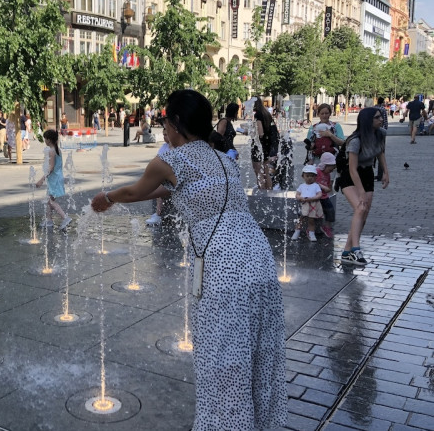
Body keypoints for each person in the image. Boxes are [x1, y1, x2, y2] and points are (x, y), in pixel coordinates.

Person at [91, 89, 286, 430]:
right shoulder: (221, 158)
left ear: (177, 123)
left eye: (165, 121)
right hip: (259, 259)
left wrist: (106, 197)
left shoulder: (169, 160)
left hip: (222, 265)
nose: (162, 129)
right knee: (257, 354)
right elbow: (169, 190)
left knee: (221, 357)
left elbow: (137, 191)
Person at [336, 108, 389, 265]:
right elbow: (352, 169)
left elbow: (380, 152)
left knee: (363, 213)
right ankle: (356, 249)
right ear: (368, 121)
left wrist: (386, 171)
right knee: (360, 207)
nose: (381, 119)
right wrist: (361, 192)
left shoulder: (381, 133)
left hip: (367, 174)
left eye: (381, 117)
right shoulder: (355, 141)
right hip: (349, 176)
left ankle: (347, 251)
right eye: (377, 117)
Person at [36, 130, 72, 231]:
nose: (44, 141)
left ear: (49, 140)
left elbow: (51, 168)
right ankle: (49, 220)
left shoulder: (52, 151)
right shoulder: (57, 149)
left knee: (50, 201)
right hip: (56, 177)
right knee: (49, 200)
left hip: (54, 178)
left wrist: (41, 180)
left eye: (45, 139)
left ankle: (65, 218)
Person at [290, 165, 323, 242]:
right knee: (301, 219)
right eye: (307, 176)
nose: (309, 178)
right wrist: (300, 198)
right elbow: (297, 194)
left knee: (311, 220)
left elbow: (319, 194)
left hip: (313, 204)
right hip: (304, 204)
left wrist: (313, 198)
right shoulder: (302, 186)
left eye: (312, 176)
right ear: (303, 176)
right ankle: (297, 231)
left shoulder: (316, 186)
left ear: (315, 177)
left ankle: (311, 233)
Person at [252, 98, 276, 189]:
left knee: (259, 172)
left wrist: (250, 131)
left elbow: (260, 133)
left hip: (258, 146)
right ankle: (269, 193)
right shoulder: (266, 113)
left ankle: (261, 195)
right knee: (265, 171)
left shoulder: (258, 114)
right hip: (267, 145)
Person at [315, 153, 336, 238]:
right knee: (314, 213)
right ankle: (311, 229)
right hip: (316, 196)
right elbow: (312, 182)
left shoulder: (328, 174)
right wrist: (322, 186)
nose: (330, 171)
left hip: (324, 196)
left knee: (330, 211)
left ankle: (326, 227)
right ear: (324, 165)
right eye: (330, 169)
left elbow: (328, 187)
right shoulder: (317, 171)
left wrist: (329, 188)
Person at [373, 97, 388, 182]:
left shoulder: (373, 108)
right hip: (380, 132)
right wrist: (385, 131)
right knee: (381, 153)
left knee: (371, 152)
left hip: (373, 131)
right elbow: (385, 121)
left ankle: (371, 171)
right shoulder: (383, 109)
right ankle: (380, 174)